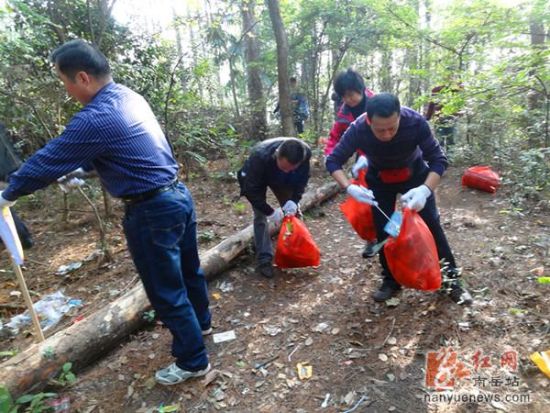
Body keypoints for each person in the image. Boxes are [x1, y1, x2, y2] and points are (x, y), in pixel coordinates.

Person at [0, 39, 212, 385]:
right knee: (189, 271)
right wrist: (82, 171)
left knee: (165, 289)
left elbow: (47, 160)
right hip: (177, 196)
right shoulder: (128, 97)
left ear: (81, 77)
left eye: (64, 81)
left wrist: (8, 194)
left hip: (151, 211)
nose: (66, 90)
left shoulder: (96, 116)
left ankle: (192, 361)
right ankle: (201, 324)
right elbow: (127, 149)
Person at [326, 93, 472, 305]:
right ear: (369, 120)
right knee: (384, 230)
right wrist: (348, 187)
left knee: (431, 225)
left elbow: (439, 160)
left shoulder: (415, 122)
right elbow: (333, 161)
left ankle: (452, 281)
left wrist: (425, 190)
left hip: (416, 176)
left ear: (399, 118)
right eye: (380, 129)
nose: (386, 134)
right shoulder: (358, 128)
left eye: (392, 128)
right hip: (380, 180)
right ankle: (391, 280)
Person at [238, 137, 311, 278]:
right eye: (284, 167)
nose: (287, 170)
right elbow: (250, 190)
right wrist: (270, 211)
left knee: (292, 213)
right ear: (277, 155)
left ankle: (298, 249)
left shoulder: (304, 153)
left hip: (283, 182)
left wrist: (295, 200)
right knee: (260, 216)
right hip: (260, 179)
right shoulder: (259, 157)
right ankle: (264, 259)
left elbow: (302, 179)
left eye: (292, 169)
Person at [324, 68, 376, 258]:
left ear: (361, 89)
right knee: (364, 203)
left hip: (386, 158)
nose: (350, 99)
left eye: (352, 94)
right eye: (345, 96)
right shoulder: (344, 112)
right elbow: (335, 136)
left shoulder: (377, 104)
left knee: (386, 200)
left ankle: (394, 237)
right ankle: (371, 239)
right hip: (362, 162)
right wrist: (329, 156)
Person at [424, 83, 463, 150]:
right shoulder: (436, 90)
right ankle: (440, 158)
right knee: (439, 141)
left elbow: (460, 100)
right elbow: (432, 104)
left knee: (451, 141)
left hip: (451, 118)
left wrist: (459, 112)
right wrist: (427, 117)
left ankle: (451, 158)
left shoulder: (454, 89)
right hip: (439, 119)